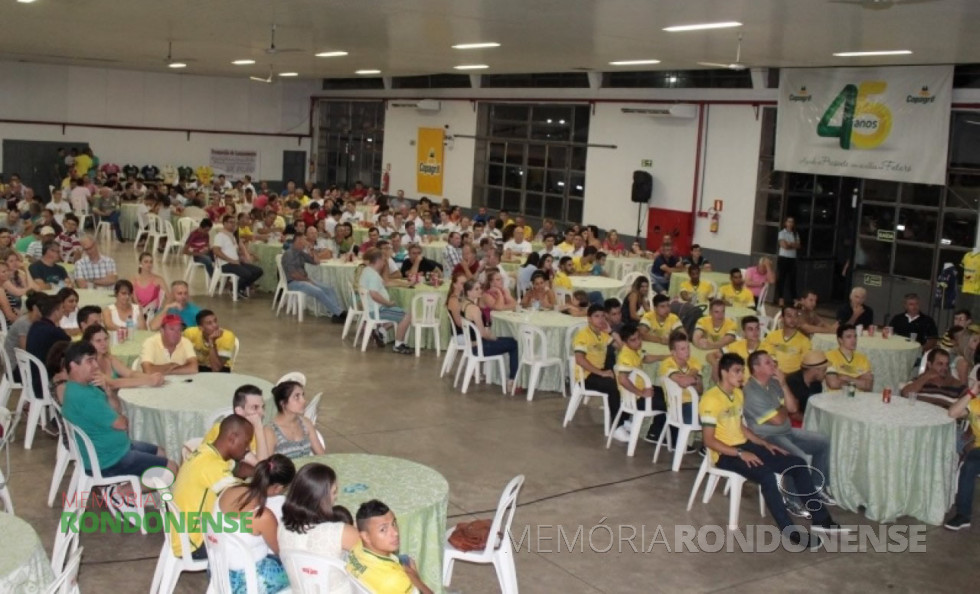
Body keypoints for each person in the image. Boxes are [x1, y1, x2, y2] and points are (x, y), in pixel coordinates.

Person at [701, 353, 842, 545]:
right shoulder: (710, 400)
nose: (741, 375)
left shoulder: (737, 394)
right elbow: (709, 440)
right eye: (736, 371)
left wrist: (764, 444)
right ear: (724, 372)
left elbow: (741, 427)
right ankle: (790, 532)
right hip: (725, 453)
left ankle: (820, 517)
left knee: (798, 463)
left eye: (742, 371)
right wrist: (741, 453)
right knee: (767, 476)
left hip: (745, 445)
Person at [60, 341, 176, 513]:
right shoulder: (84, 397)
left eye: (95, 360)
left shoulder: (81, 387)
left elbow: (116, 409)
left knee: (161, 451)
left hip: (112, 448)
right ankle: (120, 493)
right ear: (73, 365)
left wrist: (107, 392)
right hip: (109, 459)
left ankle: (136, 490)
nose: (95, 365)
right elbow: (122, 424)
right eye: (89, 361)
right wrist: (122, 418)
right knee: (171, 468)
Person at [742, 350, 836, 517]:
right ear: (756, 368)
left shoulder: (774, 382)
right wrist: (782, 409)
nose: (774, 365)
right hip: (767, 437)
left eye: (773, 361)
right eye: (768, 362)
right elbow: (778, 419)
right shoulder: (751, 391)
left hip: (786, 431)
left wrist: (784, 385)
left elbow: (792, 408)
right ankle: (791, 500)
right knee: (798, 456)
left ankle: (816, 487)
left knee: (823, 442)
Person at [171, 414, 254, 559]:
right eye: (246, 442)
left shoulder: (205, 451)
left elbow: (236, 469)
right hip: (193, 544)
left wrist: (259, 469)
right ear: (232, 438)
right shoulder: (212, 466)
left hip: (181, 533)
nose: (247, 448)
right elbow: (240, 498)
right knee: (254, 543)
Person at [216, 454, 295, 593]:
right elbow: (281, 552)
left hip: (217, 570)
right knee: (300, 572)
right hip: (244, 582)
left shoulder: (230, 489)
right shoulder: (262, 516)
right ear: (278, 488)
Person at [278, 463, 360, 592]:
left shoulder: (282, 527)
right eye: (333, 492)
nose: (336, 497)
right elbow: (375, 552)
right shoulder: (340, 532)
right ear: (320, 499)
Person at [348, 499, 435, 594]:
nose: (395, 533)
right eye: (383, 529)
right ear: (366, 536)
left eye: (394, 523)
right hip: (391, 582)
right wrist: (417, 580)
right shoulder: (396, 581)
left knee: (407, 560)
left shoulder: (357, 547)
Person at [573, 304, 627, 440]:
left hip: (599, 372)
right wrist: (601, 373)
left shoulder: (602, 334)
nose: (600, 319)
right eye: (596, 316)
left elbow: (623, 348)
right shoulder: (583, 335)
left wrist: (611, 331)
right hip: (586, 376)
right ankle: (616, 426)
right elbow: (580, 360)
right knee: (613, 386)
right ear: (589, 319)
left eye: (603, 316)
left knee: (625, 381)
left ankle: (624, 419)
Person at [460, 279, 520, 393]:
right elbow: (483, 334)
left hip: (472, 345)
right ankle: (512, 379)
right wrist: (495, 338)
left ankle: (510, 377)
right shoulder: (475, 309)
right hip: (479, 347)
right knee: (514, 343)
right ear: (469, 292)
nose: (480, 291)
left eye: (480, 288)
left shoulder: (463, 305)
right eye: (476, 289)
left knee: (508, 340)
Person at [281, 233, 347, 323]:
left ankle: (336, 314)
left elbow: (317, 262)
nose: (306, 242)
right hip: (293, 282)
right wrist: (307, 280)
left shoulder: (300, 253)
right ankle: (340, 313)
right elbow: (293, 275)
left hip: (304, 280)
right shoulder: (289, 254)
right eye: (304, 240)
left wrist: (312, 250)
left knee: (329, 288)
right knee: (318, 291)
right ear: (299, 240)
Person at [200, 384, 272, 464]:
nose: (262, 413)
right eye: (255, 407)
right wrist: (258, 428)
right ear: (239, 411)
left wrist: (259, 430)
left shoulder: (258, 432)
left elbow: (264, 467)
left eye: (263, 407)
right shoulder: (224, 430)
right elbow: (262, 466)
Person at [944, 369, 980, 531]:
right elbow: (953, 413)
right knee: (969, 466)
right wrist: (971, 393)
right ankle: (963, 515)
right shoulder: (974, 404)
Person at [359, 248, 414, 354]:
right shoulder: (374, 276)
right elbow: (374, 294)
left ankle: (381, 330)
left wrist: (404, 284)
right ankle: (398, 344)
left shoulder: (367, 271)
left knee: (397, 310)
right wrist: (387, 303)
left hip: (371, 308)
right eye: (384, 260)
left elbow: (385, 283)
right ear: (378, 260)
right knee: (407, 315)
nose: (385, 263)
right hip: (377, 309)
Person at [83, 324, 163, 392]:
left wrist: (152, 377)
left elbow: (130, 373)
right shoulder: (89, 365)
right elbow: (113, 383)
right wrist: (149, 380)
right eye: (98, 341)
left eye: (106, 339)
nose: (104, 343)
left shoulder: (110, 358)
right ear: (88, 343)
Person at [26, 293, 71, 400]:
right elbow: (69, 345)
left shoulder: (36, 325)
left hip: (32, 377)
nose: (63, 311)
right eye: (61, 308)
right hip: (43, 382)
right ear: (55, 312)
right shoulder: (54, 332)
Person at [264, 380, 324, 459]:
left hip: (306, 471)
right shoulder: (270, 431)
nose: (303, 401)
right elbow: (267, 466)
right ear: (283, 403)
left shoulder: (306, 423)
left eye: (303, 395)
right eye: (297, 397)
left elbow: (322, 455)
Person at [213, 214, 263, 299]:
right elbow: (216, 251)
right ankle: (235, 289)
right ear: (224, 223)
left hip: (236, 262)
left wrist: (244, 256)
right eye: (230, 222)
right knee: (247, 274)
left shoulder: (233, 236)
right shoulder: (220, 235)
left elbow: (235, 251)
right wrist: (230, 260)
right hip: (226, 264)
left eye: (234, 223)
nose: (233, 224)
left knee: (258, 271)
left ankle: (239, 288)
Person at [900, 348, 966, 406]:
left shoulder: (957, 386)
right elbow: (905, 394)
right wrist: (926, 377)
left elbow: (968, 404)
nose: (944, 368)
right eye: (940, 364)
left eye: (946, 364)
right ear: (929, 365)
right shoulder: (919, 380)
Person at [708, 315, 763, 383]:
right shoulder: (736, 346)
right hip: (735, 385)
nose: (755, 332)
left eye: (757, 328)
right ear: (744, 333)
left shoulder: (767, 348)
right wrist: (716, 364)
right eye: (750, 329)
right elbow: (710, 355)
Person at [4, 291, 43, 382]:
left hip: (21, 363)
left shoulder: (33, 321)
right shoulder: (24, 323)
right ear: (35, 308)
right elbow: (25, 350)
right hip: (16, 367)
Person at [761, 306, 812, 374]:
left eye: (795, 316)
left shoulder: (805, 341)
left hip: (792, 378)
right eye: (789, 316)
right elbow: (764, 356)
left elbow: (806, 365)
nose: (793, 319)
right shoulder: (772, 336)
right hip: (770, 374)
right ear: (782, 318)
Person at [824, 323, 874, 391]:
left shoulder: (863, 358)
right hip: (836, 399)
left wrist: (846, 378)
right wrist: (858, 379)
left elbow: (868, 386)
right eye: (849, 337)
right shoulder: (830, 356)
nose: (854, 340)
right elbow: (833, 384)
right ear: (840, 340)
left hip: (858, 399)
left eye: (855, 336)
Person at [784, 350, 829, 417]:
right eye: (824, 370)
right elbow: (793, 414)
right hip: (794, 423)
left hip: (807, 419)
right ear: (816, 370)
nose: (825, 374)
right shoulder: (793, 381)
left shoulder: (817, 383)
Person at [776, 217, 801, 307]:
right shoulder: (781, 233)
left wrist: (789, 244)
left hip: (792, 259)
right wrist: (792, 245)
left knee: (792, 279)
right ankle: (781, 298)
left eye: (792, 222)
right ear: (785, 223)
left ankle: (794, 299)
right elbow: (783, 245)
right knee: (781, 279)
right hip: (783, 258)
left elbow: (798, 245)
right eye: (788, 221)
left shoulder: (795, 234)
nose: (790, 223)